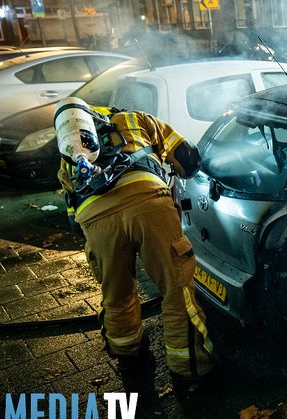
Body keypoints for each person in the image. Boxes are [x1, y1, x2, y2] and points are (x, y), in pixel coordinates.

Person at [55, 98, 217, 386]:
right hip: (148, 205)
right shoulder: (137, 119)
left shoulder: (68, 157)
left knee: (116, 295)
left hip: (96, 220)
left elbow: (72, 216)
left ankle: (131, 362)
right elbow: (188, 158)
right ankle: (190, 368)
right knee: (176, 290)